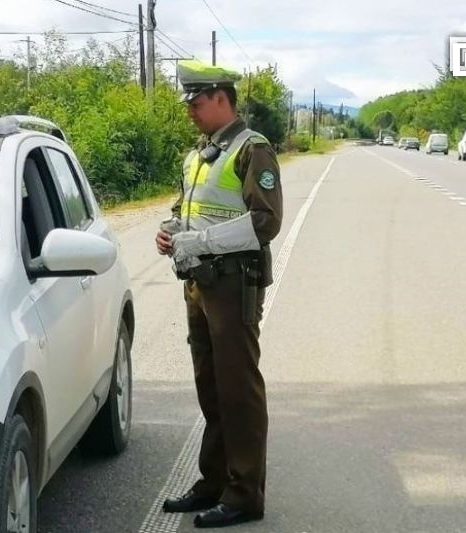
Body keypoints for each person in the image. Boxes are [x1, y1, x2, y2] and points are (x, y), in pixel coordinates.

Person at [155, 59, 283, 529]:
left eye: (196, 101)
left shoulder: (253, 149)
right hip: (199, 284)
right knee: (210, 385)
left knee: (238, 390)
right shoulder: (200, 152)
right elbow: (188, 208)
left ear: (221, 99)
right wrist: (172, 230)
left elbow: (265, 222)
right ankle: (214, 482)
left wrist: (200, 242)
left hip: (233, 284)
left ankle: (245, 494)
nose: (190, 110)